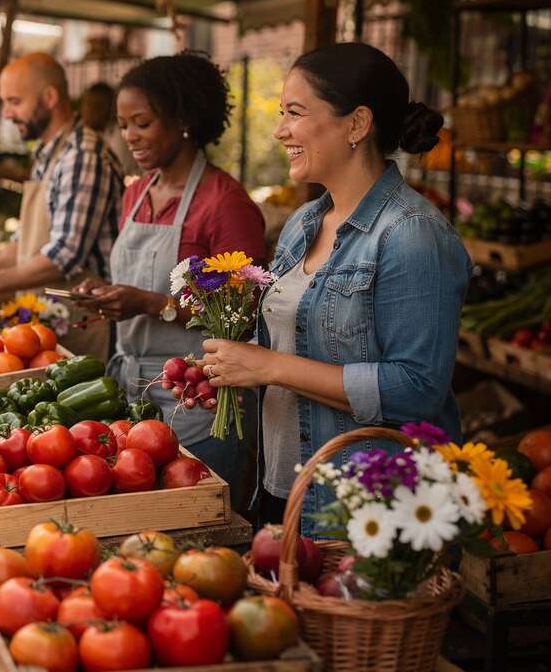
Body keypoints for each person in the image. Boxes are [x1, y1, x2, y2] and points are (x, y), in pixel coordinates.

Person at [196, 43, 468, 532]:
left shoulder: (413, 234)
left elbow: (418, 389)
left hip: (359, 512)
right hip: (282, 486)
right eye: (281, 113)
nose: (280, 130)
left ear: (357, 124)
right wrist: (236, 367)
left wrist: (272, 366)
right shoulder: (305, 221)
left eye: (295, 113)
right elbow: (299, 339)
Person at [74, 53, 266, 499]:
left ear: (182, 119)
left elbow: (242, 318)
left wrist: (149, 304)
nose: (130, 137)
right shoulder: (137, 193)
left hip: (201, 404)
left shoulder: (226, 204)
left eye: (141, 123)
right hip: (131, 396)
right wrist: (103, 292)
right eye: (123, 125)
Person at [0, 53, 120, 358]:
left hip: (87, 320)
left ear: (49, 97)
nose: (6, 113)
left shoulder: (82, 157)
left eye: (14, 101)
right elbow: (23, 243)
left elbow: (63, 256)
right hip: (54, 320)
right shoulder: (48, 153)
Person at [80, 81, 134, 180]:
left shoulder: (119, 137)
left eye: (89, 105)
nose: (84, 112)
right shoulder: (102, 133)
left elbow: (118, 174)